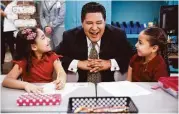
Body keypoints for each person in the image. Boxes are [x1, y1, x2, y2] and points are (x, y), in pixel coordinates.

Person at [55, 2, 133, 82]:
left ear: (104, 22)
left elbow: (132, 56)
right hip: (81, 86)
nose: (94, 28)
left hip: (109, 86)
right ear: (82, 23)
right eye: (89, 23)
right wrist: (78, 63)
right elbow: (54, 56)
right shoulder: (70, 36)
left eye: (99, 23)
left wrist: (110, 63)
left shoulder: (117, 35)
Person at [2, 27, 66, 93]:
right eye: (43, 38)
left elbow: (61, 72)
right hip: (30, 93)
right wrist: (26, 85)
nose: (49, 39)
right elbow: (6, 81)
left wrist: (61, 79)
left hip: (47, 92)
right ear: (34, 47)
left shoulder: (52, 56)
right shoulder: (24, 61)